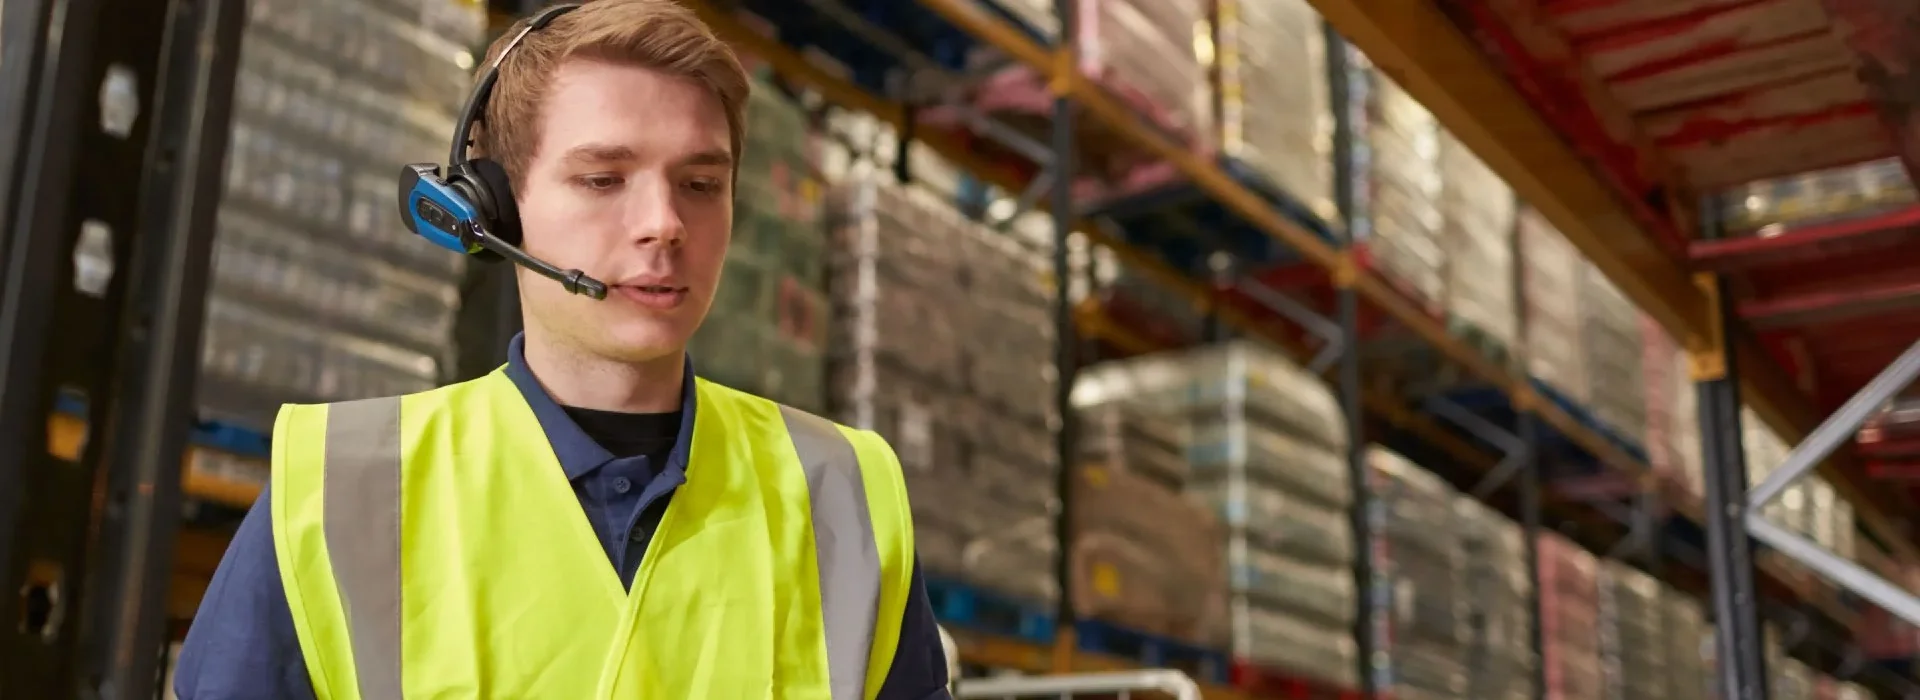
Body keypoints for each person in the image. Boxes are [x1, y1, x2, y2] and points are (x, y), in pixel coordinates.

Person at [174, 1, 952, 697]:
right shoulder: (340, 490)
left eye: (700, 185)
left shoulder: (845, 499)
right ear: (495, 210)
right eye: (604, 179)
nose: (664, 223)